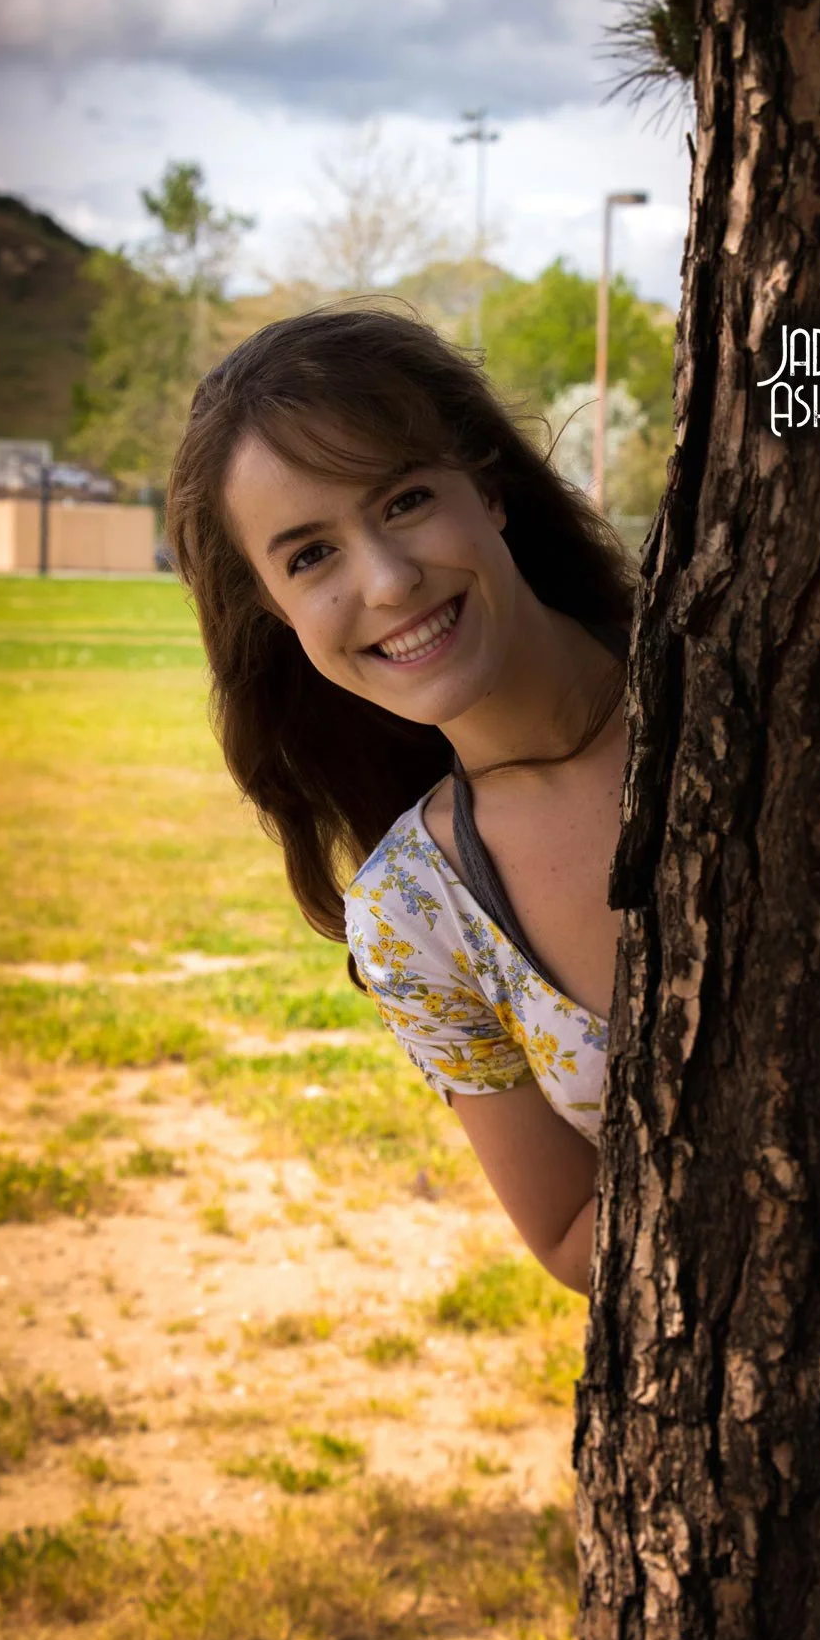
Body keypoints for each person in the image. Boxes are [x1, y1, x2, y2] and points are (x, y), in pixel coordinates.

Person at [166, 306, 637, 1295]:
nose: (387, 581)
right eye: (309, 556)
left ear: (489, 488)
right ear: (274, 609)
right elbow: (563, 1230)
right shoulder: (415, 912)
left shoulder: (746, 668)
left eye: (406, 500)